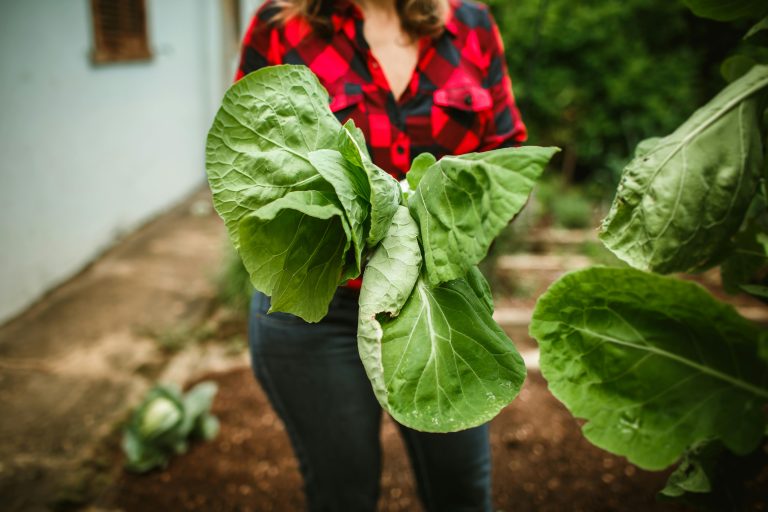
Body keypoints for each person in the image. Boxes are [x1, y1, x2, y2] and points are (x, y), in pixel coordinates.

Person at [237, 0, 526, 510]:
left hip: (437, 304)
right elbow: (250, 160)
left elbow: (506, 161)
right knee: (342, 494)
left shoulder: (472, 26)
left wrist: (440, 213)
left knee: (462, 491)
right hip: (316, 309)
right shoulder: (281, 25)